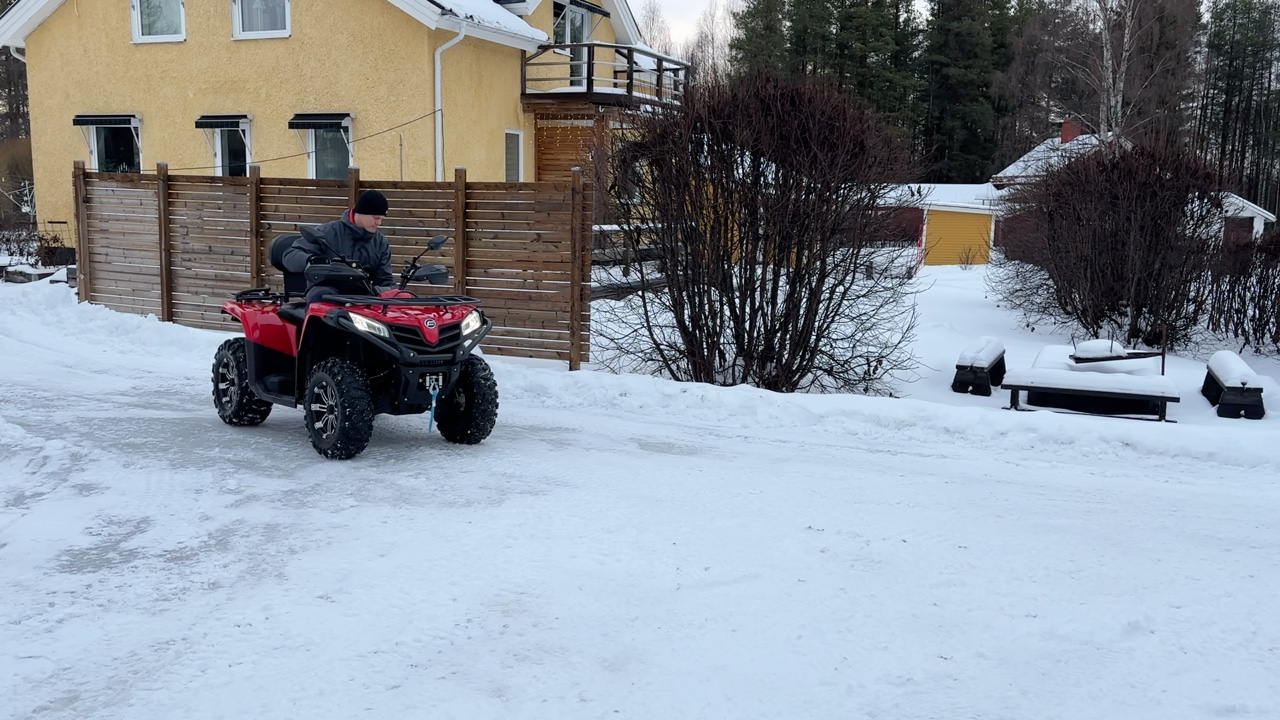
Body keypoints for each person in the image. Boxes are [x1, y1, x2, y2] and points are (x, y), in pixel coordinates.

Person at [282, 189, 395, 302]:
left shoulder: (380, 243)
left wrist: (390, 293)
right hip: (326, 290)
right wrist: (312, 260)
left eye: (382, 219)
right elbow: (290, 256)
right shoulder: (327, 232)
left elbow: (384, 280)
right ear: (361, 212)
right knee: (320, 296)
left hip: (363, 295)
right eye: (376, 218)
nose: (379, 223)